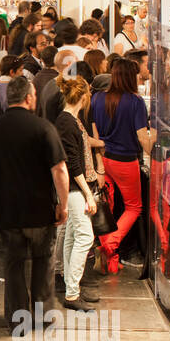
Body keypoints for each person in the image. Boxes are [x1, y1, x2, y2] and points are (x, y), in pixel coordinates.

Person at [0, 75, 68, 326]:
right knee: (43, 262)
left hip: (8, 211)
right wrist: (63, 204)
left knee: (13, 265)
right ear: (29, 98)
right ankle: (42, 316)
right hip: (40, 211)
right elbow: (59, 169)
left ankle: (18, 321)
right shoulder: (44, 128)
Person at [90, 57, 150, 275]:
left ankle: (111, 260)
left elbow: (95, 135)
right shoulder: (135, 102)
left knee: (107, 207)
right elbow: (142, 138)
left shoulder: (97, 98)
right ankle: (108, 246)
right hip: (125, 161)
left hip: (104, 159)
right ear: (130, 77)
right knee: (134, 207)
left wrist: (99, 163)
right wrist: (154, 147)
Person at [54, 75, 100, 312]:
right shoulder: (68, 122)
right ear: (84, 97)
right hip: (73, 188)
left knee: (73, 236)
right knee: (84, 237)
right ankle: (72, 293)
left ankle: (72, 288)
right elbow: (73, 164)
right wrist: (88, 194)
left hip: (73, 188)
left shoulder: (69, 120)